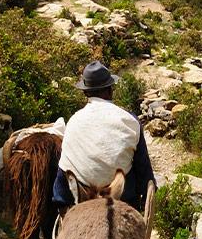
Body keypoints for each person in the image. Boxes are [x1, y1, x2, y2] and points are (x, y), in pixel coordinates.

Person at [52, 61, 155, 213]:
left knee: (65, 166)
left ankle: (61, 206)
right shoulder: (129, 119)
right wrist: (148, 193)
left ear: (86, 92)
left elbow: (67, 160)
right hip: (121, 195)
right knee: (136, 169)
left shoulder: (74, 119)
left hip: (80, 191)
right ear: (110, 90)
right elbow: (143, 167)